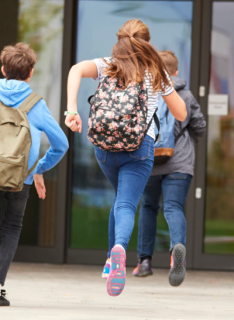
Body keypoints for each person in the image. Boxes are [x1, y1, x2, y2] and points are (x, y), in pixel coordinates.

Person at [65, 19, 187, 297]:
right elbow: (180, 114)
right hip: (139, 146)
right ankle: (119, 248)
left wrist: (71, 111)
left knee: (121, 198)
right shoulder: (156, 71)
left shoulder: (108, 64)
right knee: (126, 203)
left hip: (105, 146)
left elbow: (75, 69)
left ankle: (110, 260)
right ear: (147, 41)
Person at [0, 43, 69, 306]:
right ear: (30, 73)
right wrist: (39, 167)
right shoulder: (36, 104)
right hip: (20, 178)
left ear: (3, 69)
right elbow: (61, 144)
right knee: (13, 228)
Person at [132, 50, 206, 286]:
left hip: (151, 160)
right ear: (175, 72)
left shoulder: (147, 92)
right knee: (173, 207)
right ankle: (177, 253)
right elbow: (201, 128)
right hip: (180, 161)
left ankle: (144, 261)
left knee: (149, 207)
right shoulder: (185, 94)